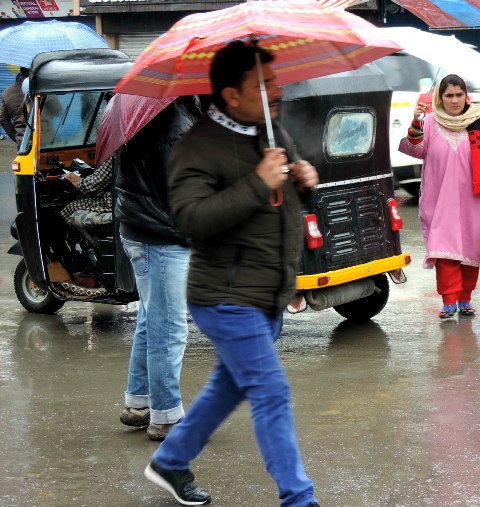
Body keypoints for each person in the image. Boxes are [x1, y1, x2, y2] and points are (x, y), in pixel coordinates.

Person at [144, 41, 320, 507]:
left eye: (275, 80)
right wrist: (257, 183)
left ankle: (170, 459)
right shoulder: (195, 147)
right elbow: (192, 220)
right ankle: (298, 498)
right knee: (270, 392)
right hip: (225, 295)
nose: (276, 91)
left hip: (268, 291)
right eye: (263, 85)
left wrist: (305, 185)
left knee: (229, 386)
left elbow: (282, 209)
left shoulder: (271, 130)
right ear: (231, 95)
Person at [116, 96, 201, 442]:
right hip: (161, 234)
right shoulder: (176, 120)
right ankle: (166, 417)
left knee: (152, 321)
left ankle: (139, 403)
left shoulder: (147, 108)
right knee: (169, 329)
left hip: (142, 229)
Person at [399, 74, 480, 319]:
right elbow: (415, 149)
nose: (454, 100)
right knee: (444, 252)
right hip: (439, 200)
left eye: (459, 95)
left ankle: (465, 299)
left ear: (466, 96)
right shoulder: (429, 122)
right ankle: (449, 301)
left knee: (471, 251)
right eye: (449, 95)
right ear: (440, 99)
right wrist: (416, 122)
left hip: (474, 201)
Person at [59, 159, 113, 227]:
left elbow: (91, 187)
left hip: (115, 206)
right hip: (127, 204)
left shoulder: (116, 156)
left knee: (72, 207)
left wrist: (77, 181)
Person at [0, 67, 29, 144]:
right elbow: (58, 111)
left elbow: (3, 119)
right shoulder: (42, 89)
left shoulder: (7, 93)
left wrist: (16, 136)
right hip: (45, 139)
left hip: (23, 141)